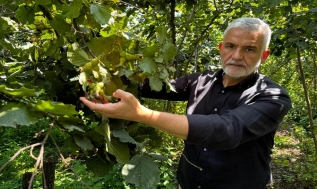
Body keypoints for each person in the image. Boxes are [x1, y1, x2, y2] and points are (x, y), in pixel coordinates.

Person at [80, 17, 292, 189]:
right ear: (221, 48)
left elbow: (226, 131)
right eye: (230, 46)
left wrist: (140, 114)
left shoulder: (273, 97)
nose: (236, 56)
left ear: (264, 56)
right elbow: (156, 86)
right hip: (189, 181)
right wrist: (109, 76)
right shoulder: (201, 80)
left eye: (249, 49)